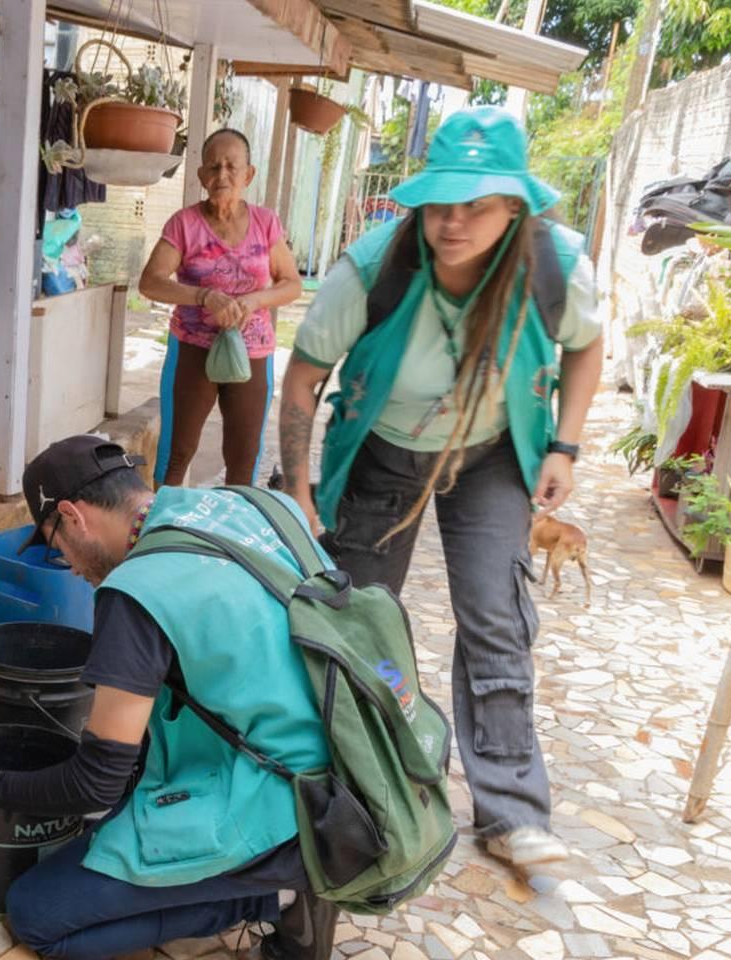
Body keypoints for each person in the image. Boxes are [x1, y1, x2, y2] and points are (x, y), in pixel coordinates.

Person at [277, 107, 604, 868]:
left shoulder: (554, 265)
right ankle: (368, 781)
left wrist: (566, 446)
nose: (452, 222)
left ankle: (513, 813)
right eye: (440, 203)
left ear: (515, 207)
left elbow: (585, 348)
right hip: (384, 455)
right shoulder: (371, 269)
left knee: (497, 616)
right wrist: (298, 484)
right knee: (363, 621)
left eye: (477, 205)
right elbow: (301, 378)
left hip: (494, 454)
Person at [0, 435, 338, 960]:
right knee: (125, 803)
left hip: (288, 807)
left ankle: (265, 895)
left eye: (59, 549)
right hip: (337, 764)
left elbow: (96, 782)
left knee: (37, 914)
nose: (70, 567)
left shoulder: (137, 590)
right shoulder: (255, 504)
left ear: (73, 516)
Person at [138, 128, 302, 487]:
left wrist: (255, 300)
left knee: (243, 460)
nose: (221, 175)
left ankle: (228, 539)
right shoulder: (184, 224)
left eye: (231, 166)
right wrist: (202, 296)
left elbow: (292, 283)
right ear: (201, 176)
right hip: (194, 348)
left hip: (253, 351)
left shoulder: (265, 223)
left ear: (249, 175)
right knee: (177, 454)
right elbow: (150, 281)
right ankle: (162, 534)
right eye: (213, 167)